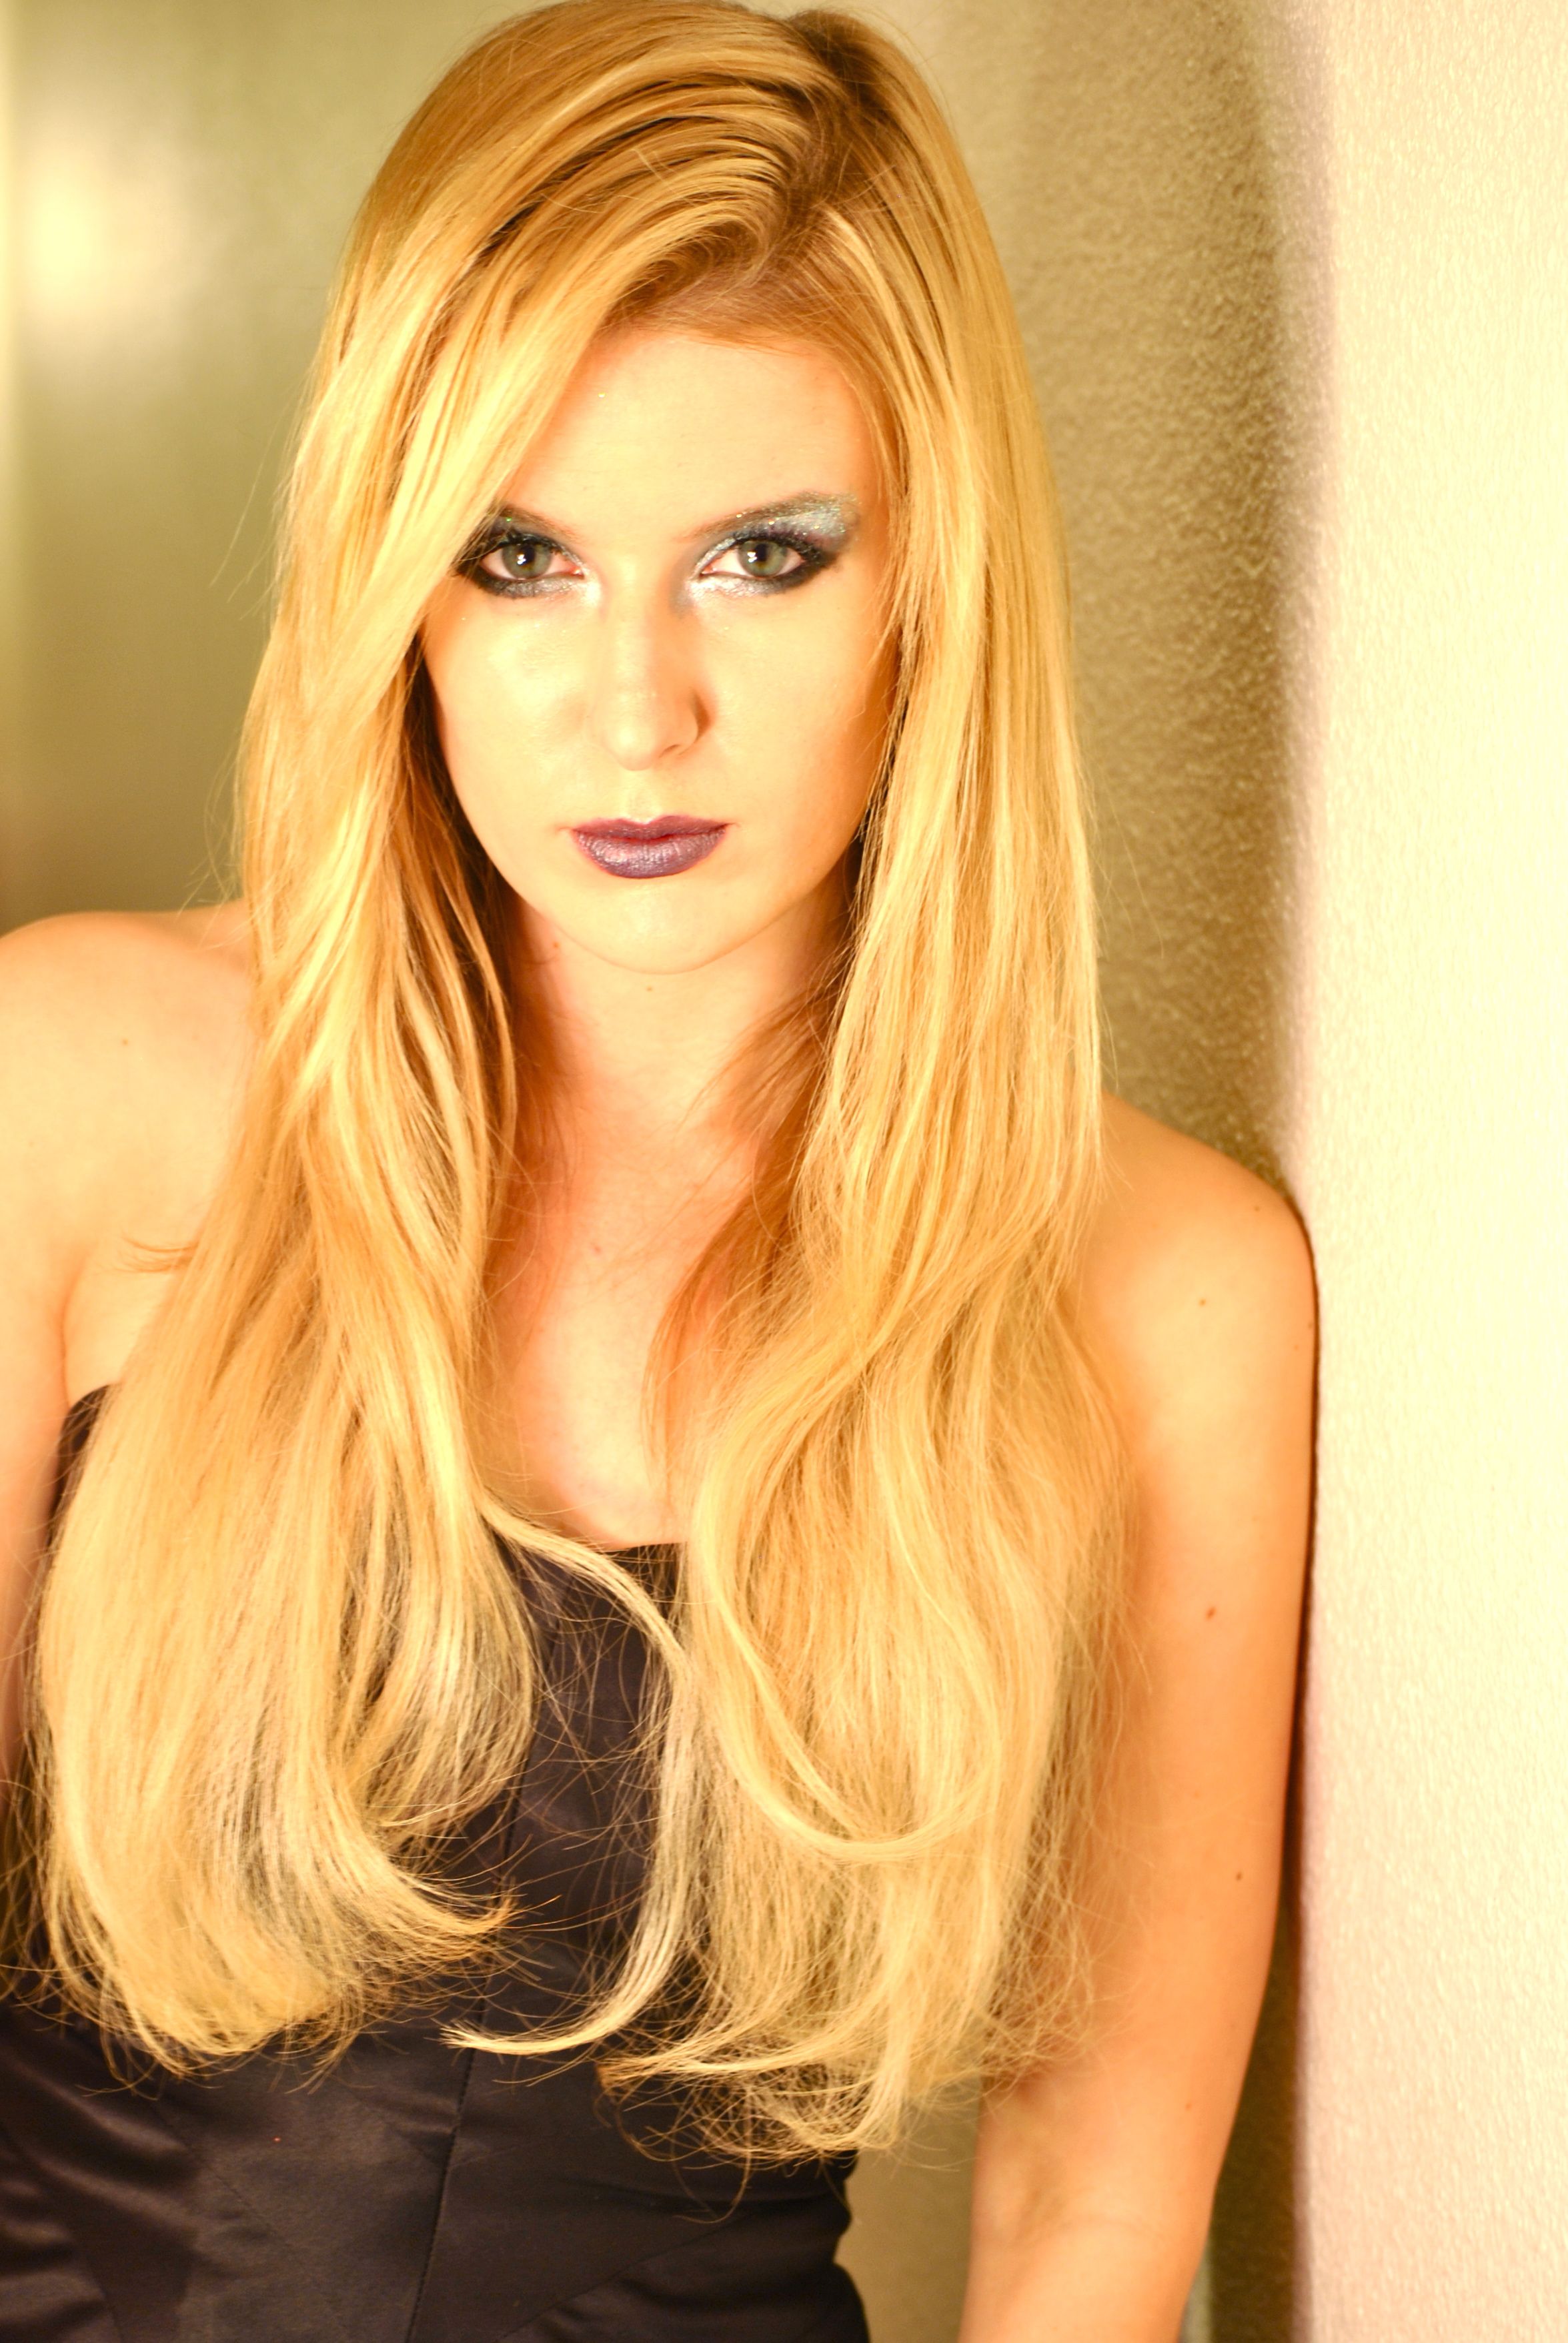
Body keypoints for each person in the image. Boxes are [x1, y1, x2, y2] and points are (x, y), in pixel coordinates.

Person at [0, 2, 1315, 2336]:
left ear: (929, 588)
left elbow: (1095, 2215)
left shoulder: (1162, 1294)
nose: (635, 714)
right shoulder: (73, 1085)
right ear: (396, 586)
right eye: (519, 555)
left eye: (757, 558)